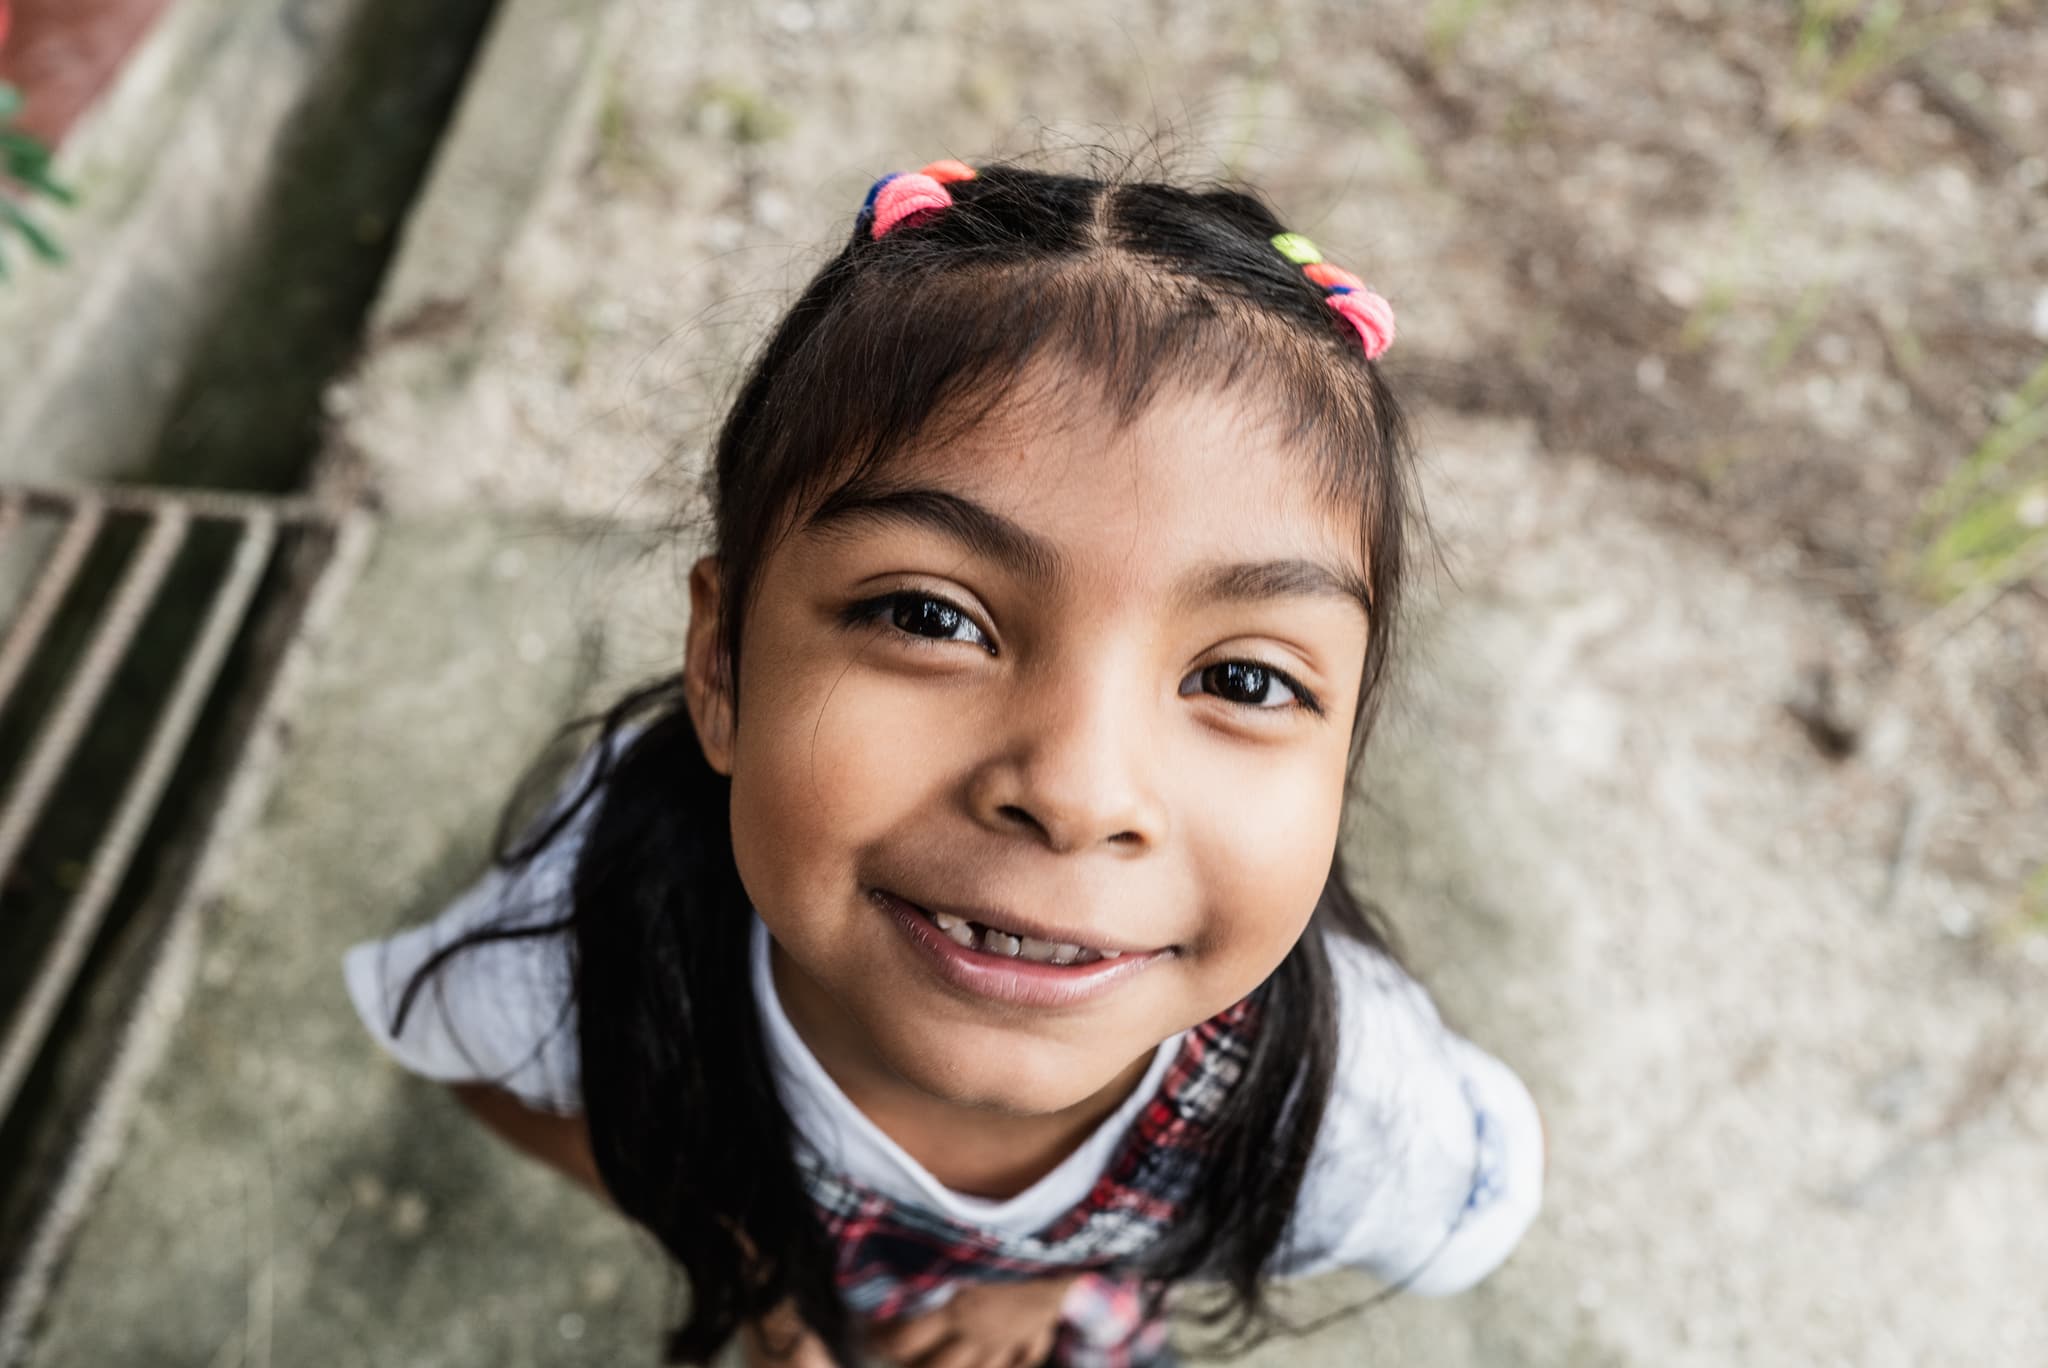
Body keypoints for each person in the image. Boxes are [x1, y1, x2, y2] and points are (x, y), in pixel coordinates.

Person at [342, 159, 1545, 1368]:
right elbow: (469, 1058)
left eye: (1241, 680)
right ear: (721, 664)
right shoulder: (597, 937)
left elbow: (1473, 1209)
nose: (1075, 793)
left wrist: (1061, 1280)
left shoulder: (1342, 1110)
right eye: (927, 616)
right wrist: (750, 1257)